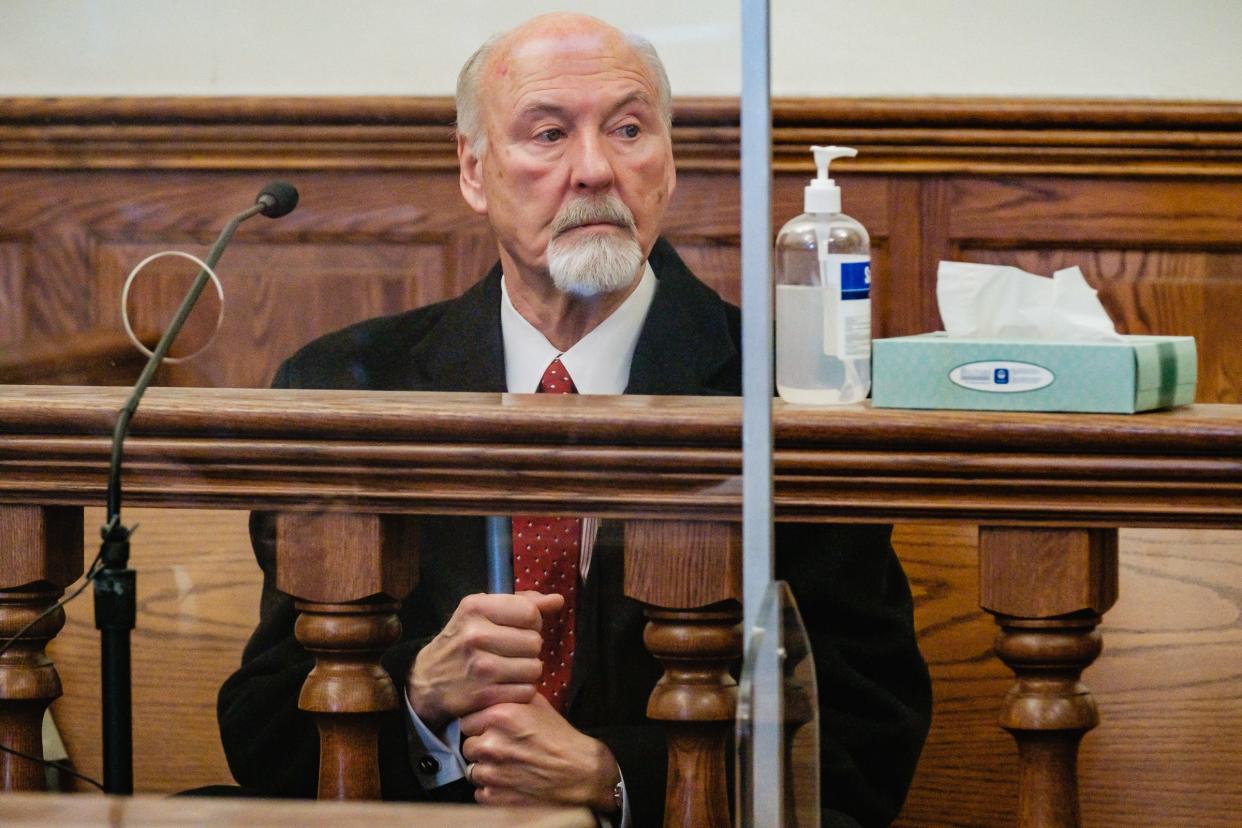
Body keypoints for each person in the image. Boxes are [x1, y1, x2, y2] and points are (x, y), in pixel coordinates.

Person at [218, 13, 931, 827]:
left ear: (667, 162)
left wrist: (613, 775)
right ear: (475, 171)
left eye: (629, 129)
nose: (595, 169)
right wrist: (419, 697)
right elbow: (262, 733)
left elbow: (865, 738)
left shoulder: (786, 392)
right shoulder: (340, 390)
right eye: (548, 134)